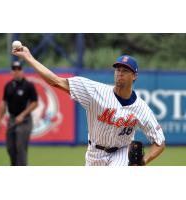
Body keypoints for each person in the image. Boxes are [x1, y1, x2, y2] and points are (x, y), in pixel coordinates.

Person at [12, 45, 165, 166]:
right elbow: (56, 81)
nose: (120, 73)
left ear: (135, 76)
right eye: (118, 69)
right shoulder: (94, 91)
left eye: (125, 70)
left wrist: (143, 162)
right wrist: (29, 57)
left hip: (121, 154)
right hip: (94, 153)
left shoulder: (141, 108)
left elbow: (160, 142)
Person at [0, 61, 38, 166]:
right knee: (10, 148)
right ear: (11, 71)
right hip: (12, 120)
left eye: (18, 69)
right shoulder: (8, 86)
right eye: (14, 69)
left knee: (20, 148)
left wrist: (23, 115)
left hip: (25, 121)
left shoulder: (28, 85)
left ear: (22, 71)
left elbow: (35, 103)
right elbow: (3, 103)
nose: (16, 71)